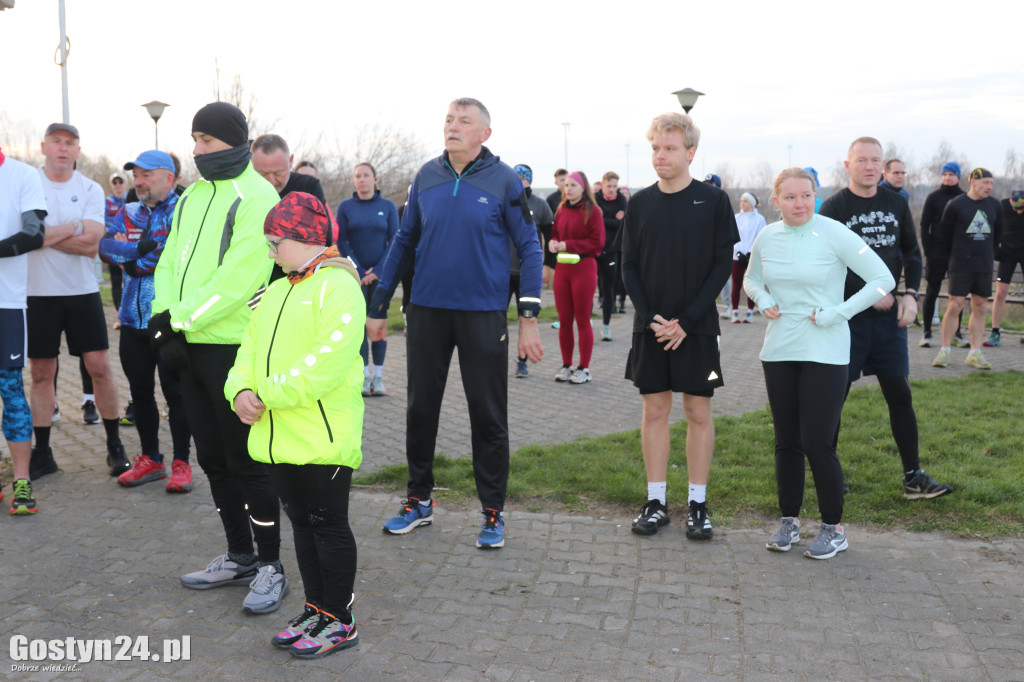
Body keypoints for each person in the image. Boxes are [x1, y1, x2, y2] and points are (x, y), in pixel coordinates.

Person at [367, 97, 543, 549]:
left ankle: (492, 512)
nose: (453, 127)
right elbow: (404, 241)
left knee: (487, 415)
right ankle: (418, 501)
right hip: (427, 310)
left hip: (482, 315)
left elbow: (530, 247)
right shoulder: (426, 176)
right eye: (448, 119)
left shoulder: (504, 180)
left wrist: (528, 317)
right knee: (419, 410)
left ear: (485, 133)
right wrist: (379, 305)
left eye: (464, 121)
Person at [152, 102, 286, 613]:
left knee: (247, 462)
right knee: (211, 457)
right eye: (194, 140)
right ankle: (239, 556)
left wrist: (176, 320)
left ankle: (271, 566)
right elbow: (169, 261)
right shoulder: (190, 198)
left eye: (206, 142)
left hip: (231, 348)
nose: (196, 150)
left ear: (233, 142)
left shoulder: (258, 196)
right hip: (184, 343)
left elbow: (239, 280)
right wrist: (164, 318)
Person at [225, 193, 363, 659]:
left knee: (329, 526)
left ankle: (340, 620)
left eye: (274, 242)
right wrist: (239, 391)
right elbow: (247, 351)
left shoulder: (339, 286)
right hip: (276, 435)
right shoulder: (277, 288)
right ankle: (316, 609)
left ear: (304, 237)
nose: (270, 252)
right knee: (302, 526)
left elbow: (325, 364)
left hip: (322, 438)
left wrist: (266, 393)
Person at [744, 168, 893, 559]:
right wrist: (762, 300)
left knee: (816, 442)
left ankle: (834, 528)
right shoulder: (767, 236)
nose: (800, 204)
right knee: (787, 442)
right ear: (776, 201)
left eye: (806, 195)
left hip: (825, 350)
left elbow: (883, 279)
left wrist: (839, 312)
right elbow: (751, 279)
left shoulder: (833, 232)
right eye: (790, 197)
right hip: (778, 350)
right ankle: (789, 522)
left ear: (816, 196)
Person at [622, 112, 738, 541]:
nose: (660, 155)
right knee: (654, 411)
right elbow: (629, 266)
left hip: (697, 328)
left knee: (697, 411)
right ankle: (655, 502)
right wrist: (652, 318)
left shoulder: (712, 200)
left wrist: (686, 321)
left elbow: (720, 265)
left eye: (669, 148)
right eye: (655, 148)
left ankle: (697, 504)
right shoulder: (639, 203)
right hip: (650, 327)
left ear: (690, 152)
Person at [820, 136, 952, 500]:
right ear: (848, 165)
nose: (869, 166)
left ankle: (913, 476)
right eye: (861, 160)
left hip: (889, 322)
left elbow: (911, 252)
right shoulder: (834, 208)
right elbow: (827, 261)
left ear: (883, 165)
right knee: (835, 397)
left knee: (900, 394)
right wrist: (868, 291)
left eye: (875, 160)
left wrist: (910, 294)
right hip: (848, 320)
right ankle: (828, 475)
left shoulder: (895, 203)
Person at [27, 123, 129, 481]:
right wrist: (71, 228)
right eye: (56, 141)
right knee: (41, 373)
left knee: (99, 366)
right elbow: (25, 239)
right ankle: (43, 452)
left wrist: (44, 237)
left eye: (70, 143)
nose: (62, 148)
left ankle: (114, 445)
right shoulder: (29, 184)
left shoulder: (89, 188)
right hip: (36, 293)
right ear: (44, 146)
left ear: (78, 150)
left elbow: (91, 245)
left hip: (82, 292)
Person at [99, 150, 193, 493]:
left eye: (146, 175)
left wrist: (135, 257)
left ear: (169, 178)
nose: (138, 182)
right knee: (140, 394)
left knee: (176, 394)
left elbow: (172, 256)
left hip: (168, 320)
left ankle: (182, 463)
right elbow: (107, 247)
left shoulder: (185, 210)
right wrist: (140, 250)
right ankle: (151, 459)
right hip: (130, 319)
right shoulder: (129, 210)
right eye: (135, 175)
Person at [0, 144, 47, 513]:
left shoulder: (22, 174)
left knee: (12, 392)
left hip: (6, 303)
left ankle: (21, 483)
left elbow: (34, 234)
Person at [335, 162, 399, 396]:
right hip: (355, 277)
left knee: (378, 324)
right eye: (357, 176)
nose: (361, 180)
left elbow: (395, 241)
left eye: (365, 175)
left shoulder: (388, 206)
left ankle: (379, 378)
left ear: (375, 178)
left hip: (381, 278)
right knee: (360, 326)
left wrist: (378, 271)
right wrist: (360, 271)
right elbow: (341, 242)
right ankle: (363, 377)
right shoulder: (345, 207)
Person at [931, 168, 1003, 370]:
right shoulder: (955, 205)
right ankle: (945, 350)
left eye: (991, 183)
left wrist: (990, 254)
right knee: (955, 305)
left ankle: (975, 352)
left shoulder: (995, 205)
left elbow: (998, 235)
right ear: (973, 182)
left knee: (980, 307)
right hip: (960, 263)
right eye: (985, 183)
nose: (989, 187)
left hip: (984, 264)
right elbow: (944, 236)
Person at [549, 171, 604, 384]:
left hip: (584, 268)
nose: (568, 188)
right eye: (566, 185)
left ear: (583, 188)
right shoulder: (561, 209)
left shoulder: (593, 211)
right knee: (564, 320)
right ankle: (566, 365)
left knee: (582, 320)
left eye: (573, 185)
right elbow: (554, 233)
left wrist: (568, 245)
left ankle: (584, 368)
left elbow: (597, 242)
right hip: (562, 269)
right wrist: (553, 242)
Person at [511, 164, 553, 377]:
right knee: (495, 319)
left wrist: (547, 265)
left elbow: (549, 238)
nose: (519, 182)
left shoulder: (540, 205)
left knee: (525, 318)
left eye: (522, 178)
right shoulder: (505, 201)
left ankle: (522, 362)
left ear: (529, 181)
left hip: (527, 273)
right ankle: (495, 359)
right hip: (502, 271)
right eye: (515, 177)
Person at [918, 162, 965, 348]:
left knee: (958, 295)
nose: (947, 178)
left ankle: (957, 333)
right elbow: (924, 224)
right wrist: (928, 250)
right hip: (937, 252)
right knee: (932, 291)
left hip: (958, 253)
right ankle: (927, 332)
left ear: (958, 177)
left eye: (951, 174)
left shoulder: (964, 198)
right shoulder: (933, 197)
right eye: (944, 174)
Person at [987, 190, 1024, 346]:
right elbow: (991, 227)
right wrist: (996, 250)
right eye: (1016, 208)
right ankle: (995, 332)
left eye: (1021, 208)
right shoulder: (1002, 206)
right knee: (1001, 292)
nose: (1018, 211)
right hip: (1007, 254)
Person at [595, 171, 628, 340]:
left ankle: (606, 326)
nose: (612, 190)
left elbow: (622, 223)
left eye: (615, 186)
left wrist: (603, 218)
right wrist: (611, 219)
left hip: (611, 250)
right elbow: (591, 221)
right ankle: (586, 319)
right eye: (609, 186)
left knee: (609, 288)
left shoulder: (621, 200)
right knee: (588, 286)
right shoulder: (594, 199)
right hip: (593, 250)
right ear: (602, 185)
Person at [251, 134, 326, 203]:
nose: (272, 182)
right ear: (251, 165)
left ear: (290, 161)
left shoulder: (309, 187)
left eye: (278, 173)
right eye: (263, 174)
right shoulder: (243, 190)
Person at [731, 192, 766, 323]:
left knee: (752, 283)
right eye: (741, 201)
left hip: (752, 256)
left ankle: (750, 312)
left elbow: (760, 236)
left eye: (745, 201)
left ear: (751, 203)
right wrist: (739, 252)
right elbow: (733, 235)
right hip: (737, 256)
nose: (742, 203)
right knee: (737, 283)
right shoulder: (736, 218)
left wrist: (751, 252)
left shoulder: (760, 219)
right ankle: (735, 312)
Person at [105, 172, 127, 327]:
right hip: (113, 248)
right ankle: (119, 317)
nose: (118, 185)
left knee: (130, 281)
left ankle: (129, 314)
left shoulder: (132, 199)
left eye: (121, 182)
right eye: (115, 183)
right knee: (116, 281)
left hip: (129, 248)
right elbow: (104, 223)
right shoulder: (106, 202)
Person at [544, 169, 568, 289]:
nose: (565, 183)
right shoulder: (551, 199)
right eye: (562, 180)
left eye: (566, 179)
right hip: (556, 242)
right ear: (556, 183)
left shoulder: (575, 198)